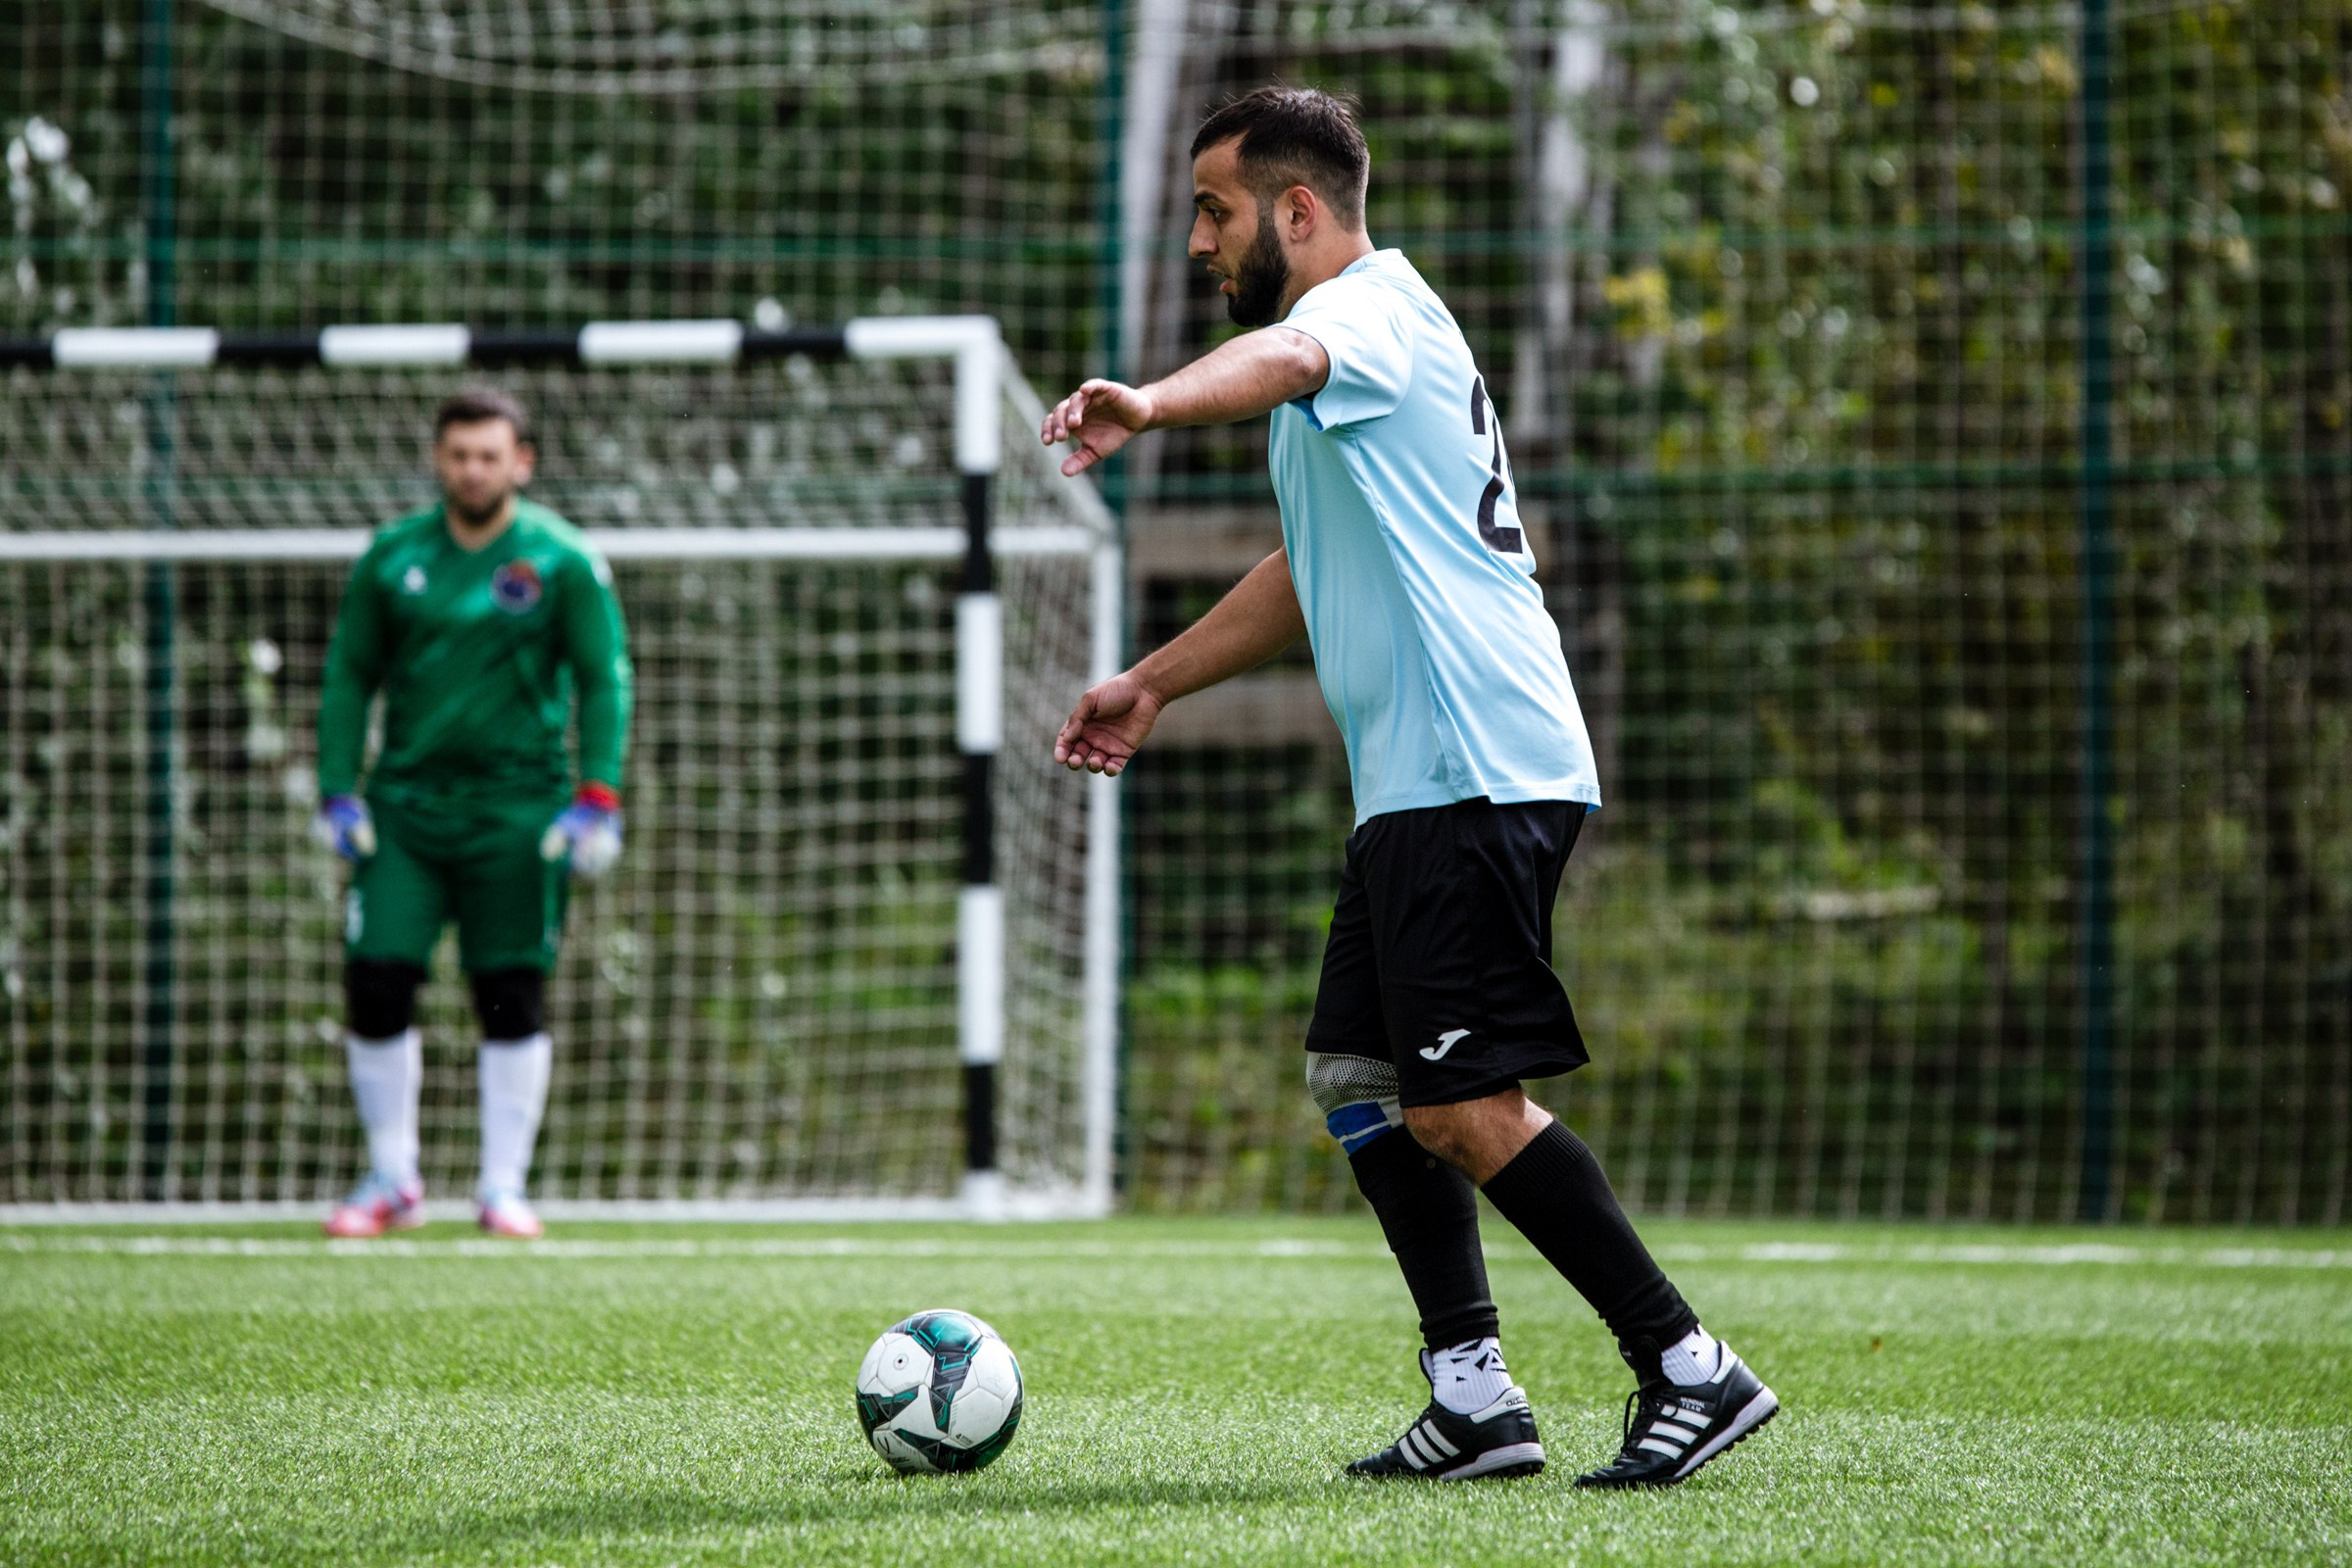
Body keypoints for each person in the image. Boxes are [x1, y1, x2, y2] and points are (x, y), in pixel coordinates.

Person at [1044, 86, 1777, 1488]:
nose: (1200, 241)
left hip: (1475, 770)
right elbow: (1308, 569)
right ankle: (1475, 1399)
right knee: (1361, 1078)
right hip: (1424, 784)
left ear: (1299, 210)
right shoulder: (1356, 362)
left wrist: (1153, 401)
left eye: (1215, 211)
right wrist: (1153, 681)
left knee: (1460, 1104)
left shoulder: (1366, 316)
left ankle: (1690, 1365)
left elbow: (1287, 354)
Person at [312, 388, 633, 1241]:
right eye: (459, 455)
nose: (473, 470)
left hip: (519, 812)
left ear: (521, 462)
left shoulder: (563, 560)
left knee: (508, 992)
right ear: (438, 458)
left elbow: (603, 678)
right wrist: (336, 787)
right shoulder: (392, 557)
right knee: (377, 980)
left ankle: (502, 1187)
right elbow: (349, 674)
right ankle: (392, 1177)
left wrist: (598, 795)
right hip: (404, 812)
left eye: (490, 455)